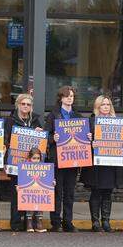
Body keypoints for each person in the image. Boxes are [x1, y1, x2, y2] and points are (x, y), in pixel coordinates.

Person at [3, 93, 43, 232]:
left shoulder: (36, 121)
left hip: (32, 165)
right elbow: (5, 141)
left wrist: (40, 132)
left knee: (31, 192)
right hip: (15, 162)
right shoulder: (10, 121)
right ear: (18, 105)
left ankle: (29, 222)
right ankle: (15, 223)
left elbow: (41, 144)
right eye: (23, 104)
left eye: (28, 104)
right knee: (16, 192)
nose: (25, 106)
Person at [82, 94, 121, 233]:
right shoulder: (91, 121)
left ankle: (106, 221)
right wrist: (90, 141)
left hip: (111, 162)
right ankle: (95, 222)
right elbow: (82, 142)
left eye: (108, 104)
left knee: (108, 192)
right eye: (103, 104)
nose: (106, 107)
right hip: (96, 162)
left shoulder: (117, 122)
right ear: (97, 107)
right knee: (96, 191)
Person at [45, 85, 80, 233]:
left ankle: (68, 221)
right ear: (61, 98)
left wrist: (88, 137)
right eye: (67, 96)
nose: (69, 98)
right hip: (58, 159)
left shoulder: (77, 116)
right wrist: (53, 138)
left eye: (71, 96)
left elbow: (83, 136)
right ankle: (56, 222)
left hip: (72, 160)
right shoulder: (53, 115)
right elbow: (45, 136)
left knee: (69, 193)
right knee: (57, 192)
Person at [18, 146, 48, 233]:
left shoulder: (44, 168)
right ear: (29, 158)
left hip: (40, 191)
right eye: (34, 158)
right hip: (29, 191)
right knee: (29, 204)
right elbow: (22, 180)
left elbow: (47, 178)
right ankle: (29, 223)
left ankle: (39, 223)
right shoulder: (25, 168)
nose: (36, 160)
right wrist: (19, 186)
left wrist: (52, 182)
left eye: (38, 158)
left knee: (40, 204)